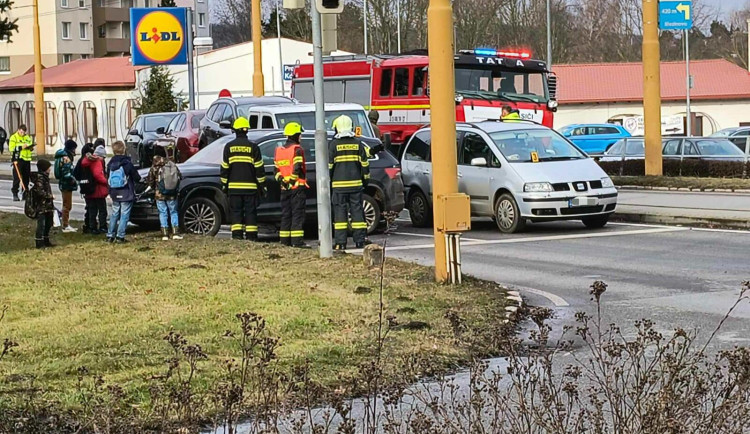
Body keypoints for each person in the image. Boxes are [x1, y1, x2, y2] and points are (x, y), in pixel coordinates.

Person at [329, 115, 371, 252]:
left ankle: (340, 243)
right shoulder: (358, 143)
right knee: (357, 212)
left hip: (339, 186)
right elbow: (365, 165)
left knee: (340, 214)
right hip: (355, 185)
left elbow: (329, 167)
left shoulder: (333, 144)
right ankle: (360, 241)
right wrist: (366, 180)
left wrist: (330, 181)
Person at [221, 117, 266, 241]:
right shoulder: (253, 147)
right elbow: (259, 169)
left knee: (236, 212)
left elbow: (225, 168)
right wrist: (262, 186)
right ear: (247, 131)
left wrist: (224, 185)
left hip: (234, 188)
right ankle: (251, 237)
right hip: (250, 188)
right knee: (250, 212)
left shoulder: (228, 147)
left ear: (235, 130)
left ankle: (237, 236)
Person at [274, 122, 307, 248]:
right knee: (297, 215)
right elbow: (297, 168)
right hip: (296, 188)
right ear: (295, 135)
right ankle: (297, 241)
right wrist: (292, 181)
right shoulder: (297, 150)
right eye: (299, 134)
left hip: (284, 188)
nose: (301, 137)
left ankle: (284, 241)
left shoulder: (279, 151)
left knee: (286, 215)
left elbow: (276, 170)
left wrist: (283, 181)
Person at [106, 140, 141, 244]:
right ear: (124, 149)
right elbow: (136, 177)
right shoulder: (127, 163)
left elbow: (108, 177)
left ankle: (110, 235)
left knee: (115, 213)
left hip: (114, 192)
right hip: (126, 191)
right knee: (124, 214)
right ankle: (120, 236)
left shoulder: (110, 164)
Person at [145, 146, 183, 241]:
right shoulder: (171, 164)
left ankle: (165, 234)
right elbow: (179, 176)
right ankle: (175, 233)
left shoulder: (154, 166)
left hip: (159, 194)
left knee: (163, 213)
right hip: (172, 194)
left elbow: (150, 181)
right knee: (173, 212)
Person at [81, 144, 109, 235]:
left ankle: (92, 227)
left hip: (88, 188)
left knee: (92, 210)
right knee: (102, 210)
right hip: (98, 189)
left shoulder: (86, 161)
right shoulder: (97, 162)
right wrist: (106, 182)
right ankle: (103, 226)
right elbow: (98, 175)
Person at [30, 159, 55, 249]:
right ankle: (39, 242)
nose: (50, 169)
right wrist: (50, 196)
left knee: (48, 223)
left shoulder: (45, 177)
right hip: (41, 206)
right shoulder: (40, 178)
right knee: (42, 224)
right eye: (49, 168)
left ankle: (46, 240)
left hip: (47, 205)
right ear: (45, 168)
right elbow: (40, 192)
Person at [54, 140, 78, 232]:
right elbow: (66, 173)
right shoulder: (66, 159)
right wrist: (73, 179)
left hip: (62, 183)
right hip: (66, 184)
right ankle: (65, 225)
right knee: (67, 205)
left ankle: (66, 224)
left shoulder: (61, 156)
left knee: (66, 204)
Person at [75, 142, 95, 233]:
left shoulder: (80, 160)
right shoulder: (91, 160)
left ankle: (88, 224)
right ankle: (92, 225)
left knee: (89, 206)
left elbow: (75, 173)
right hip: (92, 185)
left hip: (84, 186)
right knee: (93, 207)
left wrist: (81, 179)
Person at [9, 124, 33, 202]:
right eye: (21, 132)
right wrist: (21, 147)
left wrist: (30, 147)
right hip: (18, 159)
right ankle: (15, 194)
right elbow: (11, 148)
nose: (22, 134)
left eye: (24, 132)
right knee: (17, 178)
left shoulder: (27, 137)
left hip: (27, 160)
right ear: (18, 130)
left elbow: (30, 143)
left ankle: (24, 193)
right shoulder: (14, 137)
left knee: (26, 178)